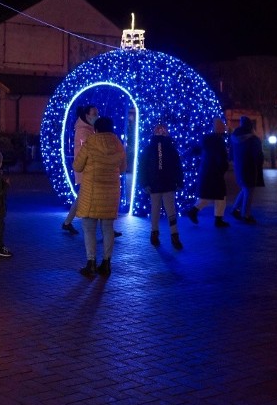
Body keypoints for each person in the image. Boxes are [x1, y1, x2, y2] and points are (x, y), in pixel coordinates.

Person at [73, 116, 126, 277]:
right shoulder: (118, 145)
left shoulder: (90, 143)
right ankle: (106, 264)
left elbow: (77, 165)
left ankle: (91, 264)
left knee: (89, 229)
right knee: (108, 228)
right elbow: (123, 169)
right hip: (110, 194)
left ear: (96, 129)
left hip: (91, 193)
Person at [62, 105, 123, 237]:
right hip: (88, 169)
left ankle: (67, 223)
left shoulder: (88, 129)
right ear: (87, 115)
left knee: (84, 198)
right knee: (96, 198)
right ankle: (107, 230)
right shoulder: (84, 131)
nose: (97, 116)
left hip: (90, 169)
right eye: (94, 113)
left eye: (97, 113)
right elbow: (88, 152)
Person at [138, 124, 185, 249]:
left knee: (155, 210)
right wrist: (179, 182)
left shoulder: (149, 148)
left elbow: (142, 167)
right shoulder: (170, 147)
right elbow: (177, 166)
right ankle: (174, 236)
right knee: (170, 211)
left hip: (155, 184)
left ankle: (155, 234)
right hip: (168, 183)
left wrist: (144, 183)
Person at [186, 118, 231, 228]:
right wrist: (224, 167)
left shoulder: (206, 139)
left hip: (207, 170)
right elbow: (221, 157)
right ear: (219, 127)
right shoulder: (219, 140)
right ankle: (218, 219)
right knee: (220, 196)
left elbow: (197, 150)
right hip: (215, 172)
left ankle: (194, 211)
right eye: (222, 125)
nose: (224, 127)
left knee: (207, 196)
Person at [230, 116, 265, 224]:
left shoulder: (234, 137)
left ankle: (235, 209)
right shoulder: (253, 139)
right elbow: (258, 156)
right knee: (249, 190)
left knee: (245, 188)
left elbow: (231, 154)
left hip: (238, 166)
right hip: (250, 167)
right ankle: (245, 215)